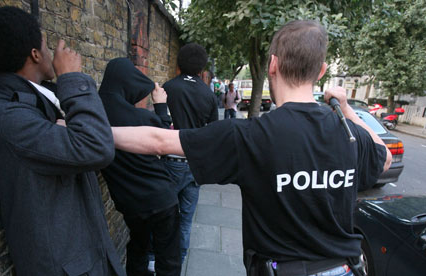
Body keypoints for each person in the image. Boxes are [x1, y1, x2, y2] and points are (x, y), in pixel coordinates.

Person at [110, 20, 392, 276]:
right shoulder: (350, 133)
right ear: (321, 71)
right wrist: (346, 109)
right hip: (345, 269)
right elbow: (386, 157)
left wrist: (92, 132)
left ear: (272, 65)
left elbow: (160, 140)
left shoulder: (251, 136)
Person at [0, 6, 125, 276]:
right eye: (45, 46)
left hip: (89, 254)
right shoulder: (7, 116)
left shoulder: (43, 99)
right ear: (34, 54)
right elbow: (96, 148)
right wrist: (72, 77)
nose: (50, 54)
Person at [98, 58, 181, 276]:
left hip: (129, 204)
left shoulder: (92, 114)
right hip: (161, 199)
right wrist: (161, 106)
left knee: (138, 248)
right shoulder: (141, 117)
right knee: (168, 258)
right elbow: (164, 140)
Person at [161, 43, 218, 263]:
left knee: (164, 215)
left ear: (179, 64)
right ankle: (180, 260)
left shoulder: (167, 88)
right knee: (185, 219)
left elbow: (158, 122)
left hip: (169, 161)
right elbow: (213, 133)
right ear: (202, 69)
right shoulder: (208, 95)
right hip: (195, 164)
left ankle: (157, 259)